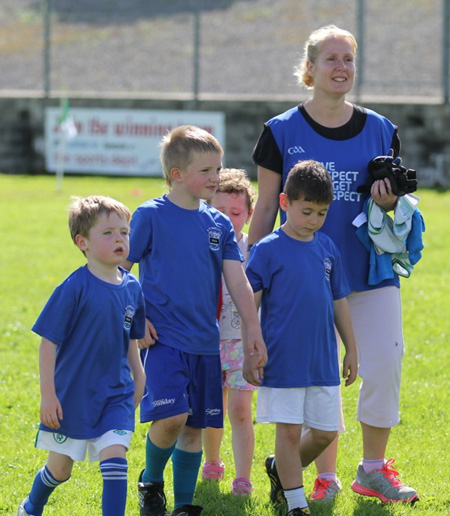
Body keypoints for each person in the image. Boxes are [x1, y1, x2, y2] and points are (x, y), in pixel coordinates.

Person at [248, 24, 419, 504]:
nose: (341, 67)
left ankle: (372, 470)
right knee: (309, 380)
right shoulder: (280, 130)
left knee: (385, 362)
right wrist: (245, 282)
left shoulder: (382, 129)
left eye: (349, 59)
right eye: (331, 59)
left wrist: (389, 205)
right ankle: (309, 474)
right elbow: (265, 208)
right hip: (300, 277)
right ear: (310, 69)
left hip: (369, 269)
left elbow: (399, 212)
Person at [122, 126, 266, 516]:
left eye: (218, 169)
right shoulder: (150, 215)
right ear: (177, 175)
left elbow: (238, 281)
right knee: (172, 417)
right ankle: (151, 484)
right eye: (206, 170)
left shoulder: (217, 225)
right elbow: (120, 269)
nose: (215, 178)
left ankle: (184, 504)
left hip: (208, 344)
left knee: (193, 430)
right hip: (165, 339)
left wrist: (254, 332)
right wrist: (136, 315)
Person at [18, 196, 147, 516]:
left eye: (124, 232)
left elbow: (131, 337)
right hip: (72, 397)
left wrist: (140, 376)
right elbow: (48, 343)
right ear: (82, 242)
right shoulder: (74, 287)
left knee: (116, 460)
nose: (119, 239)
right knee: (60, 470)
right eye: (108, 233)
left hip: (116, 393)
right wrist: (48, 396)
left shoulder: (132, 287)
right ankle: (32, 506)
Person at [244, 160, 358, 516]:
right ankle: (296, 504)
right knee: (289, 433)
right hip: (282, 359)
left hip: (322, 359)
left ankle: (281, 469)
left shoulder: (327, 248)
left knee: (325, 433)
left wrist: (352, 348)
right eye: (307, 211)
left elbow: (339, 300)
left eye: (322, 213)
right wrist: (251, 347)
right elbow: (250, 304)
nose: (314, 220)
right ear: (284, 203)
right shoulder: (267, 249)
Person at [201, 168, 257, 497]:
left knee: (238, 409)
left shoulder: (254, 250)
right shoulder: (201, 250)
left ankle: (243, 477)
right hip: (207, 340)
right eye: (218, 211)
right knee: (212, 407)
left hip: (241, 342)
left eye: (235, 213)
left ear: (249, 214)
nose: (227, 219)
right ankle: (211, 461)